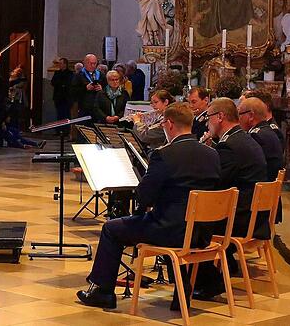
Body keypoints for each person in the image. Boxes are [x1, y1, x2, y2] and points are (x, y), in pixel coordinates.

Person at [77, 103, 221, 310]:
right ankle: (182, 289)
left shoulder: (165, 154)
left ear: (170, 124)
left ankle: (102, 291)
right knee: (164, 218)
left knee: (111, 229)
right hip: (201, 232)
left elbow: (144, 195)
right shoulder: (212, 154)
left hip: (170, 232)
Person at [192, 97, 269, 301]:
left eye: (208, 117)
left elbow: (214, 182)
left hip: (241, 220)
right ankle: (226, 265)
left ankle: (208, 281)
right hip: (254, 215)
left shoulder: (230, 146)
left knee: (192, 221)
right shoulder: (243, 139)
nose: (207, 123)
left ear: (220, 117)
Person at [70, 54, 105, 118]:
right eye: (90, 63)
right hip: (84, 108)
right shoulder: (78, 75)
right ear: (85, 63)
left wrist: (101, 88)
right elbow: (73, 92)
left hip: (99, 108)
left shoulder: (101, 75)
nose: (93, 66)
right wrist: (85, 88)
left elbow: (107, 88)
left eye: (95, 63)